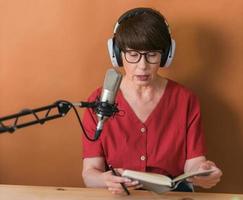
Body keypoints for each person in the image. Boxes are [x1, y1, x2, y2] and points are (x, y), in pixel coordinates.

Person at [81, 7, 222, 194]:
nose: (142, 66)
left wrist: (203, 173)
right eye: (133, 54)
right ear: (117, 54)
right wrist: (104, 179)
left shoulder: (185, 99)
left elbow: (194, 164)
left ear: (165, 56)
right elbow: (90, 173)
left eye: (152, 55)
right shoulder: (99, 101)